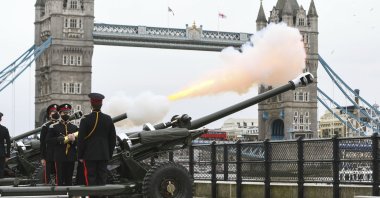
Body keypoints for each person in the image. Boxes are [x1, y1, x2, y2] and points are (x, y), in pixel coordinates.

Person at [78, 93, 116, 186]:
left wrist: (80, 156)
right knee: (102, 180)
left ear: (91, 104)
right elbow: (112, 139)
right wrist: (109, 154)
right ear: (101, 104)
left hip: (89, 155)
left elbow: (81, 140)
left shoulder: (85, 119)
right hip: (104, 154)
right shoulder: (108, 119)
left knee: (91, 180)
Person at [46, 104, 77, 186]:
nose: (66, 114)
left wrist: (73, 140)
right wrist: (58, 139)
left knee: (69, 180)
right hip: (59, 156)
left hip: (70, 157)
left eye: (68, 112)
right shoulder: (54, 127)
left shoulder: (74, 127)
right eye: (64, 113)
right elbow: (48, 141)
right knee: (59, 180)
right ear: (60, 113)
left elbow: (79, 142)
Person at [40, 104, 59, 184]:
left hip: (59, 152)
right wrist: (43, 157)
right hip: (49, 153)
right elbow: (43, 143)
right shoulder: (45, 126)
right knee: (49, 175)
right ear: (49, 114)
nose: (54, 113)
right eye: (52, 112)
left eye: (55, 111)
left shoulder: (61, 125)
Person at [0, 112, 11, 178]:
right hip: (1, 153)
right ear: (0, 119)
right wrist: (8, 155)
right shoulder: (4, 129)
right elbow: (8, 143)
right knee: (1, 170)